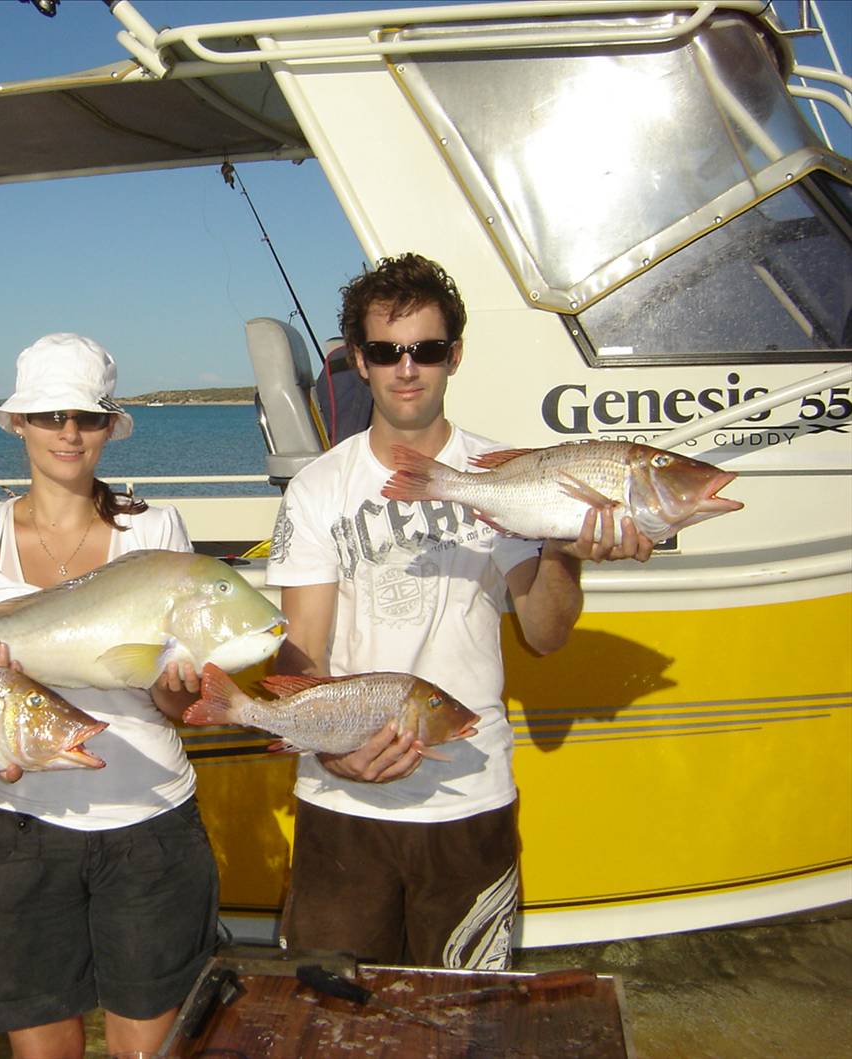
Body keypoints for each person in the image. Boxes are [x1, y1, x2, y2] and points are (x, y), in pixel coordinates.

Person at [267, 255, 654, 970]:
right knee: (333, 1014)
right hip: (342, 804)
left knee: (467, 1015)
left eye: (427, 349)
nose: (407, 368)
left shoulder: (511, 475)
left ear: (455, 355)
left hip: (469, 799)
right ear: (359, 361)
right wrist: (330, 748)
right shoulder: (318, 488)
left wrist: (564, 550)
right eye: (386, 351)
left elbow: (545, 633)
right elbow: (304, 650)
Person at [0, 333, 218, 1059]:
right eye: (50, 415)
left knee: (148, 1048)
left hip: (151, 822)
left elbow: (178, 708)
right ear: (19, 424)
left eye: (87, 417)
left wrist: (182, 686)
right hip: (19, 827)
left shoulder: (156, 529)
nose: (68, 432)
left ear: (108, 428)